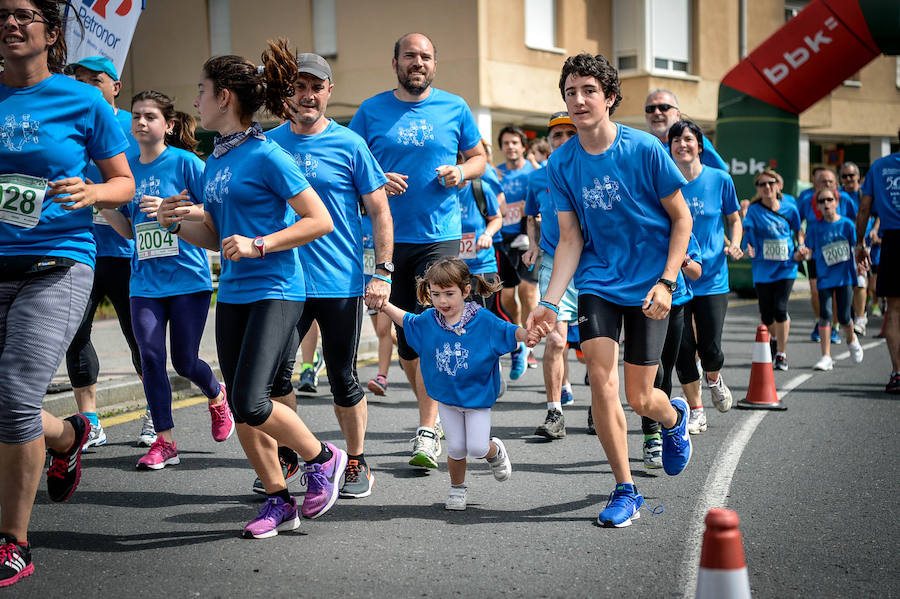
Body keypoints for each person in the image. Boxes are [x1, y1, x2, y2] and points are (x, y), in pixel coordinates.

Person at [158, 51, 345, 539]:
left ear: (224, 97)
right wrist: (177, 224)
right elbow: (219, 235)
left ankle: (324, 457)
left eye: (201, 90)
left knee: (250, 398)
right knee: (243, 407)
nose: (194, 99)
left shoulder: (267, 154)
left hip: (277, 287)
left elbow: (319, 220)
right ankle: (278, 498)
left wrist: (260, 244)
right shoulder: (215, 158)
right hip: (236, 292)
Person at [527, 54, 693, 528]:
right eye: (570, 92)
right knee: (601, 378)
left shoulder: (643, 149)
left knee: (641, 397)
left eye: (588, 91)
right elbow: (571, 240)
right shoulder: (561, 163)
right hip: (598, 279)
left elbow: (682, 220)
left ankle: (673, 417)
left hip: (650, 285)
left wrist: (666, 281)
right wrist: (549, 301)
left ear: (610, 98)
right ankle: (625, 487)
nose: (578, 100)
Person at [0, 0, 134, 586]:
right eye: (1, 13)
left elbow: (124, 181)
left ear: (51, 34)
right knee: (12, 406)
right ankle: (69, 436)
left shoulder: (83, 100)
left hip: (59, 262)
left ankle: (13, 542)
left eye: (24, 14)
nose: (10, 22)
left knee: (13, 394)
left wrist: (94, 193)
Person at [348, 33, 487, 469]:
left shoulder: (455, 107)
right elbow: (347, 165)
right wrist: (376, 177)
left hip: (438, 237)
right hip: (390, 240)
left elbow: (480, 158)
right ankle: (434, 406)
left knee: (434, 327)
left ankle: (427, 428)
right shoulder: (371, 111)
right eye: (410, 56)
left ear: (434, 63)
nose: (419, 62)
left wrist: (461, 171)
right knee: (408, 342)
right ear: (395, 63)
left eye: (426, 56)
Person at [267, 48, 392, 499]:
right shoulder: (269, 142)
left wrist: (383, 271)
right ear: (288, 93)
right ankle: (290, 452)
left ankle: (356, 461)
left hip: (340, 280)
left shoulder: (350, 144)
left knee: (343, 376)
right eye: (299, 87)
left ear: (328, 92)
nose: (307, 95)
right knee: (277, 377)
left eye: (316, 87)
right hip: (284, 281)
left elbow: (379, 210)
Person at [100, 90, 233, 469]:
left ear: (169, 125)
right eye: (137, 116)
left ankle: (216, 394)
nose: (141, 122)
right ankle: (165, 441)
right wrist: (104, 205)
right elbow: (128, 231)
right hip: (144, 282)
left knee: (186, 361)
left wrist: (170, 210)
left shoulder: (186, 163)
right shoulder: (125, 169)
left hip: (188, 279)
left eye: (150, 116)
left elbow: (213, 210)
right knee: (151, 357)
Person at [377, 258, 543, 510]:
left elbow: (508, 331)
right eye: (436, 294)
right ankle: (457, 488)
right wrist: (384, 305)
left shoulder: (483, 320)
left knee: (476, 447)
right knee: (455, 447)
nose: (443, 301)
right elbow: (407, 320)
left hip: (477, 398)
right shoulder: (430, 319)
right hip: (446, 397)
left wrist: (526, 335)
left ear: (466, 291)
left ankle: (494, 451)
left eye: (449, 294)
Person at [63, 55, 149, 449]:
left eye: (94, 80)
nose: (86, 86)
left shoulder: (130, 129)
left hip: (126, 249)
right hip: (78, 249)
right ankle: (91, 418)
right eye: (78, 79)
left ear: (115, 86)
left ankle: (155, 411)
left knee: (139, 337)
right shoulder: (65, 121)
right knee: (75, 335)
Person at [668, 120, 742, 433]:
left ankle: (713, 376)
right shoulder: (664, 182)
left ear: (700, 146)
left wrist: (735, 243)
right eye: (676, 140)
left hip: (712, 278)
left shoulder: (720, 180)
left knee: (710, 349)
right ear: (669, 148)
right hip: (677, 279)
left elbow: (734, 219)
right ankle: (697, 410)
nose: (682, 145)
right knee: (683, 352)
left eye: (688, 139)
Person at [522, 111, 578, 440]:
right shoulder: (536, 178)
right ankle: (555, 412)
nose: (564, 140)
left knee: (596, 345)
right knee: (555, 339)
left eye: (570, 133)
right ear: (549, 142)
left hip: (593, 266)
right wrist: (532, 245)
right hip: (552, 264)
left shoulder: (593, 172)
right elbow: (531, 216)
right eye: (557, 135)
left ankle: (598, 407)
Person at [742, 169, 804, 371]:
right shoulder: (753, 210)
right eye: (762, 184)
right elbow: (747, 235)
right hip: (762, 268)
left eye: (770, 183)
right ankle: (774, 340)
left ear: (778, 185)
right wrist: (748, 247)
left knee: (780, 309)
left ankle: (781, 354)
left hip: (786, 266)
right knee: (767, 315)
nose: (767, 187)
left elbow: (798, 230)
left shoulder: (789, 207)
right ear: (758, 189)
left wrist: (801, 246)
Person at [856, 130, 900, 393]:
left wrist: (861, 244)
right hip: (891, 239)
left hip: (894, 241)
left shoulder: (880, 167)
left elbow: (864, 209)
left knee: (893, 310)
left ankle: (897, 373)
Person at [496, 125, 538, 376]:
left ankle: (528, 344)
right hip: (503, 240)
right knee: (507, 298)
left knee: (528, 292)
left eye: (515, 143)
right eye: (506, 143)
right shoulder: (496, 174)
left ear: (523, 146)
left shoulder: (533, 172)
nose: (511, 147)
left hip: (527, 237)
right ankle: (518, 338)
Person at [798, 167, 857, 344]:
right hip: (817, 254)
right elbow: (798, 223)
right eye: (824, 182)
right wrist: (802, 244)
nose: (828, 185)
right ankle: (822, 321)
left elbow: (855, 223)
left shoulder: (844, 199)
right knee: (816, 292)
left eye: (831, 181)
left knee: (839, 295)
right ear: (815, 184)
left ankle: (836, 326)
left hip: (840, 258)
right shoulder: (807, 200)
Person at [807, 188, 864, 370]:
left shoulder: (847, 225)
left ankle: (852, 339)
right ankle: (826, 356)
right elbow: (808, 249)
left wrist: (860, 263)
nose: (826, 204)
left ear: (836, 202)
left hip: (845, 277)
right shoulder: (815, 227)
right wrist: (802, 252)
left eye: (829, 200)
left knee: (845, 317)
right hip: (824, 277)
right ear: (817, 205)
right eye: (822, 201)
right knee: (825, 315)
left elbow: (857, 248)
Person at [644, 89, 728, 171]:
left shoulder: (693, 142)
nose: (657, 112)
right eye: (650, 109)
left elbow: (720, 176)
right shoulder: (641, 147)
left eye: (664, 107)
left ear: (677, 115)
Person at [840, 162, 868, 336]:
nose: (848, 179)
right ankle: (855, 312)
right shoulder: (838, 196)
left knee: (860, 279)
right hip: (841, 244)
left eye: (851, 175)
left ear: (858, 176)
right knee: (846, 283)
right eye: (844, 176)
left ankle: (860, 318)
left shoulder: (865, 194)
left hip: (861, 242)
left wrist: (871, 232)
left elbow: (875, 214)